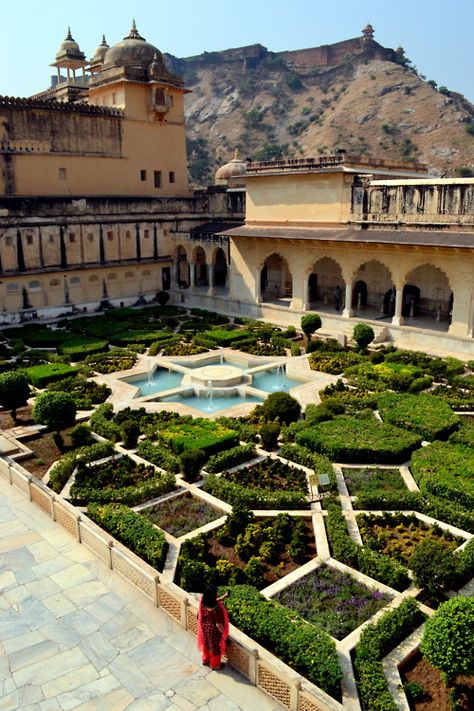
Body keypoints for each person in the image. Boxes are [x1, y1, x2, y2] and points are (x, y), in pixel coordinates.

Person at [197, 586, 229, 670]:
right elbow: (219, 625)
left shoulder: (203, 603)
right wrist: (225, 635)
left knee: (206, 644)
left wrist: (224, 597)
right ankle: (215, 665)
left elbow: (215, 601)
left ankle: (205, 660)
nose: (217, 594)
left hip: (205, 627)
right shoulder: (216, 609)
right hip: (213, 631)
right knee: (215, 648)